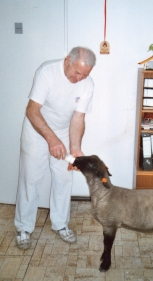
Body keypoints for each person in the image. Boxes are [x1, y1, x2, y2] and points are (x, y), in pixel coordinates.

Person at [14, 46, 96, 250]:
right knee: (30, 178)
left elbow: (78, 118)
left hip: (61, 131)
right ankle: (24, 228)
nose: (79, 78)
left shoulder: (87, 84)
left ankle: (60, 224)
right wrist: (50, 138)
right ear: (67, 60)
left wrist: (75, 148)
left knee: (63, 177)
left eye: (85, 75)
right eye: (77, 72)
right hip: (37, 129)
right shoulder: (47, 72)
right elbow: (32, 111)